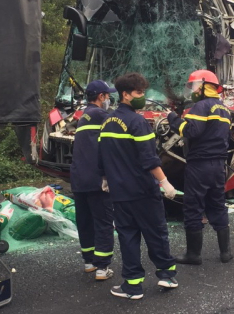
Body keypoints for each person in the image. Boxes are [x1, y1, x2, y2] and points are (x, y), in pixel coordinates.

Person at [98, 73, 177, 300]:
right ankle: (167, 275)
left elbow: (101, 156)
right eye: (139, 93)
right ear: (126, 94)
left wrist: (104, 178)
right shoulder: (137, 122)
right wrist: (165, 182)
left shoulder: (108, 122)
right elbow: (149, 159)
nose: (143, 97)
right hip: (143, 191)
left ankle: (132, 287)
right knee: (156, 233)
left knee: (128, 237)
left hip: (120, 194)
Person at [167, 70, 233, 264]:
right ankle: (225, 253)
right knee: (217, 205)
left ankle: (193, 255)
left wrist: (173, 119)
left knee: (193, 207)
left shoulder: (200, 107)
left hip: (199, 166)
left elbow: (191, 131)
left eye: (194, 86)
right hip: (218, 166)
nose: (193, 90)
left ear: (205, 86)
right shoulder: (224, 109)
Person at [69, 80, 116, 280]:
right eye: (108, 96)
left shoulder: (82, 117)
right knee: (104, 222)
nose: (109, 99)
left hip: (79, 180)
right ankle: (102, 268)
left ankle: (89, 262)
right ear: (101, 97)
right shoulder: (101, 115)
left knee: (85, 221)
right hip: (97, 180)